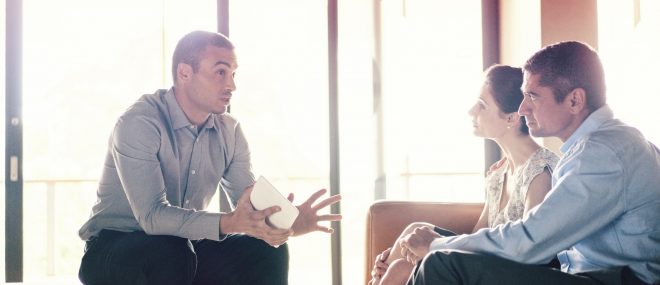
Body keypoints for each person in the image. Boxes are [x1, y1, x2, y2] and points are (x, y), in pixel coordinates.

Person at [77, 30, 342, 285]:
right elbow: (152, 217)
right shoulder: (140, 122)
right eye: (220, 72)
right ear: (184, 73)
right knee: (171, 251)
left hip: (183, 247)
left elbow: (248, 205)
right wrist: (228, 222)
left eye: (233, 74)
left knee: (265, 249)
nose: (232, 85)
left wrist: (287, 223)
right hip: (113, 247)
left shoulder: (230, 131)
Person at [401, 41, 660, 285]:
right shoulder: (602, 144)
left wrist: (436, 246)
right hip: (582, 272)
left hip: (615, 280)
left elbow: (530, 241)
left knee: (443, 263)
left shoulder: (603, 154)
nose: (523, 108)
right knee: (437, 245)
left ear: (574, 100)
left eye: (533, 96)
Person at [369, 64, 560, 285]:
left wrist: (431, 251)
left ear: (511, 118)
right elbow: (475, 238)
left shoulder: (541, 173)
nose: (471, 111)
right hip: (486, 262)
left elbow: (533, 253)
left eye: (482, 105)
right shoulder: (499, 173)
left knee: (402, 269)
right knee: (412, 233)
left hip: (517, 273)